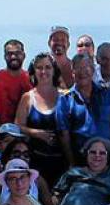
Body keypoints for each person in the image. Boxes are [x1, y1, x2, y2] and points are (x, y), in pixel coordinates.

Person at [15, 53, 72, 186]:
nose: (43, 71)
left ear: (54, 70)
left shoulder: (65, 96)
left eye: (47, 67)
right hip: (36, 162)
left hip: (63, 161)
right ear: (33, 72)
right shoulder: (27, 98)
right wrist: (37, 134)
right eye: (39, 68)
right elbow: (18, 126)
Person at [64, 53, 110, 158]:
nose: (83, 72)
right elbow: (64, 134)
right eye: (79, 68)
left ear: (93, 71)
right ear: (73, 72)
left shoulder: (107, 94)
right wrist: (71, 162)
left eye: (87, 68)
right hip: (80, 158)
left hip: (105, 157)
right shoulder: (65, 100)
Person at [0, 139, 54, 205]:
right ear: (8, 156)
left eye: (26, 155)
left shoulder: (38, 180)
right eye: (16, 154)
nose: (21, 158)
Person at [0, 39, 32, 130]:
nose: (13, 56)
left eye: (17, 53)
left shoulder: (31, 79)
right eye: (10, 54)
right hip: (5, 132)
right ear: (5, 56)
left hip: (28, 132)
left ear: (23, 55)